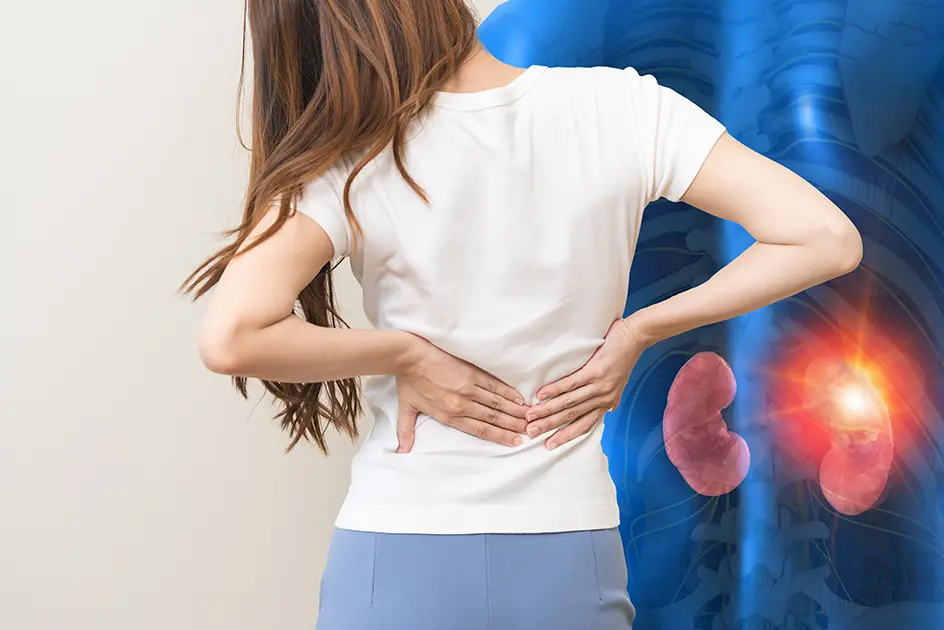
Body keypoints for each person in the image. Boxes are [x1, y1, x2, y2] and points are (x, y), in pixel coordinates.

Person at [183, 1, 863, 628]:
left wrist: (404, 353)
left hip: (397, 552)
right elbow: (824, 238)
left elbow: (234, 334)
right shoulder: (622, 107)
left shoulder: (350, 153)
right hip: (568, 553)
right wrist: (641, 329)